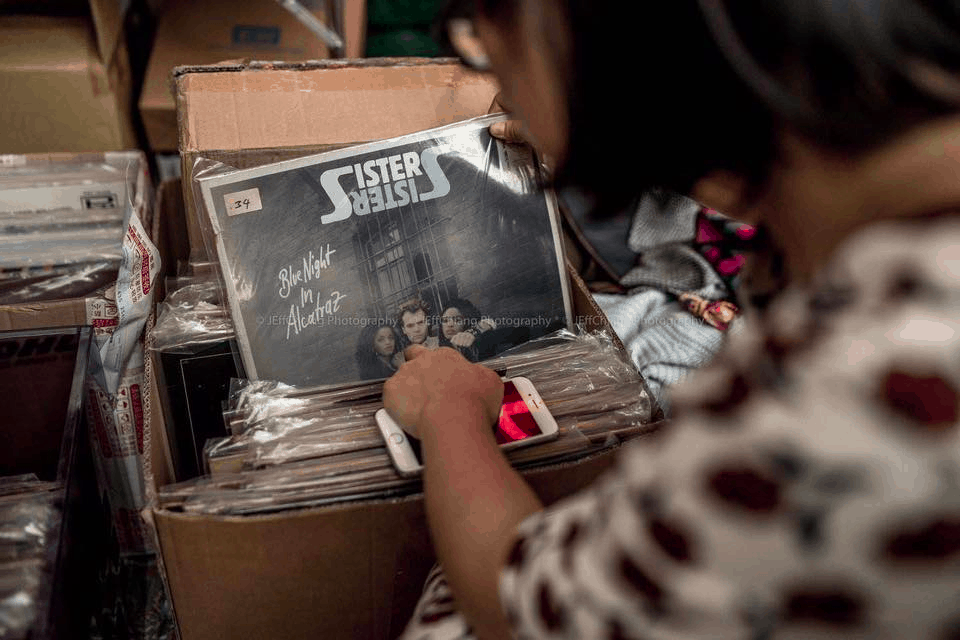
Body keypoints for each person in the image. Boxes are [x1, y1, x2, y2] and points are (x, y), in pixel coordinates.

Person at [385, 0, 960, 639]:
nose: (499, 86)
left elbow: (528, 607)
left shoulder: (849, 386)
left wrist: (449, 411)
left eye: (491, 48)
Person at [438, 298, 496, 362]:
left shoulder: (478, 344)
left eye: (457, 320)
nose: (450, 324)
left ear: (467, 322)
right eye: (445, 320)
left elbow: (489, 322)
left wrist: (472, 332)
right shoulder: (439, 348)